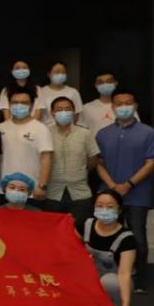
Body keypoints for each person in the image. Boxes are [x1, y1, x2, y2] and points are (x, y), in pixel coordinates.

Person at [96, 88, 154, 293]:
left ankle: (139, 280)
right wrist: (113, 187)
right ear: (112, 107)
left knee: (138, 237)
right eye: (119, 104)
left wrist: (128, 184)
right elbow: (98, 163)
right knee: (108, 237)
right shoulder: (103, 134)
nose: (123, 107)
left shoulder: (148, 133)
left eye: (128, 103)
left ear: (135, 106)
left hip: (138, 193)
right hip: (109, 194)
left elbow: (151, 163)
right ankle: (110, 275)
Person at [82, 190, 137, 306]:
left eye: (110, 206)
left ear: (119, 210)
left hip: (114, 278)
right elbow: (69, 244)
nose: (104, 210)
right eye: (99, 205)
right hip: (88, 274)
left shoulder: (127, 238)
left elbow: (124, 274)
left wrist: (126, 304)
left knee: (110, 282)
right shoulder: (87, 225)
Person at [45, 96, 101, 228]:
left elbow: (93, 159)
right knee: (53, 232)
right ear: (52, 113)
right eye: (59, 109)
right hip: (52, 193)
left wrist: (81, 171)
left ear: (74, 112)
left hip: (80, 192)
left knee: (78, 232)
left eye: (67, 109)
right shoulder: (45, 133)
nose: (63, 112)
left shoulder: (85, 133)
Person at [0, 87, 53, 204]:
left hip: (32, 191)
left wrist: (42, 186)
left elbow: (47, 158)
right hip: (4, 190)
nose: (19, 105)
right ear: (9, 104)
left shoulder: (40, 128)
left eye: (24, 103)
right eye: (15, 102)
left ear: (32, 105)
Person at [36, 61, 84, 125]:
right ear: (48, 74)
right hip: (47, 128)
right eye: (57, 72)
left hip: (68, 128)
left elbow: (76, 115)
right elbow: (38, 114)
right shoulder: (41, 91)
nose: (60, 74)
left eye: (63, 72)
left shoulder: (73, 92)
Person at [80, 71, 126, 136]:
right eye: (100, 82)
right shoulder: (87, 108)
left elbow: (134, 128)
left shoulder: (126, 107)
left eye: (109, 81)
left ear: (115, 83)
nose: (105, 84)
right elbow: (81, 132)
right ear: (95, 85)